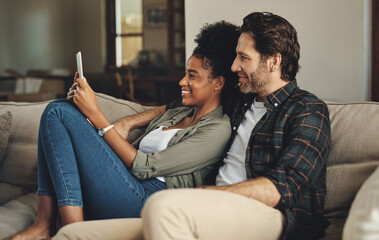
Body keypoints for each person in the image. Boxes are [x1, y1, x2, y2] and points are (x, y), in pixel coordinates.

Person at [9, 21, 240, 240]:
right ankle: (45, 225)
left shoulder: (218, 129)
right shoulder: (178, 112)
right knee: (60, 108)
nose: (182, 81)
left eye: (192, 75)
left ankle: (72, 231)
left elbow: (143, 167)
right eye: (184, 73)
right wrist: (110, 123)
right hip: (124, 183)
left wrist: (96, 114)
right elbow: (158, 113)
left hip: (148, 199)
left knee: (57, 112)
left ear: (218, 83)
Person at [138, 11, 331, 240]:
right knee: (87, 233)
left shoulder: (307, 109)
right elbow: (181, 105)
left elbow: (285, 186)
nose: (234, 66)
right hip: (218, 210)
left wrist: (213, 194)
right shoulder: (240, 100)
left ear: (273, 61)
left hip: (274, 215)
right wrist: (127, 122)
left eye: (243, 57)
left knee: (161, 206)